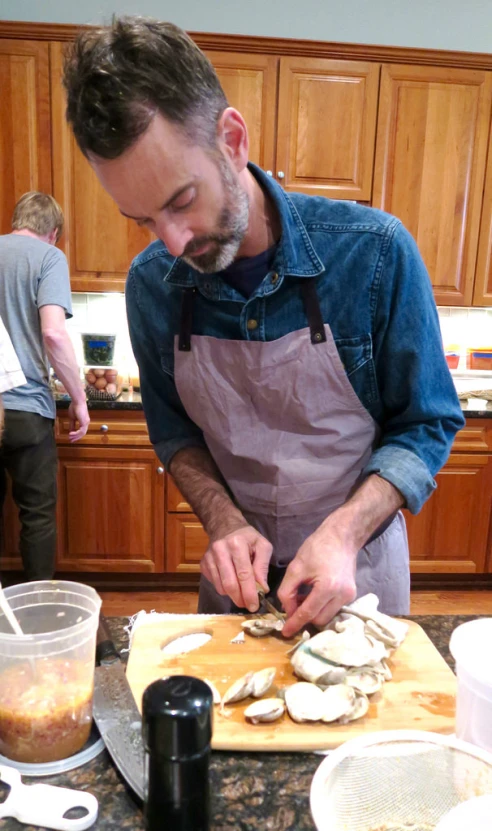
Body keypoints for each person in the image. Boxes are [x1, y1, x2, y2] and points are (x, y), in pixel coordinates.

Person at [63, 17, 465, 635]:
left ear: (232, 139)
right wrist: (223, 520)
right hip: (237, 585)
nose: (172, 242)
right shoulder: (153, 286)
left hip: (358, 573)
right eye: (142, 219)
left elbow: (428, 421)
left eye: (180, 201)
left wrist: (341, 531)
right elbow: (175, 435)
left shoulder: (374, 253)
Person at [0, 192, 90, 580]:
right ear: (53, 233)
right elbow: (53, 334)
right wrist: (79, 398)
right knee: (37, 515)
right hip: (25, 409)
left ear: (18, 221)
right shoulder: (49, 258)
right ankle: (37, 615)